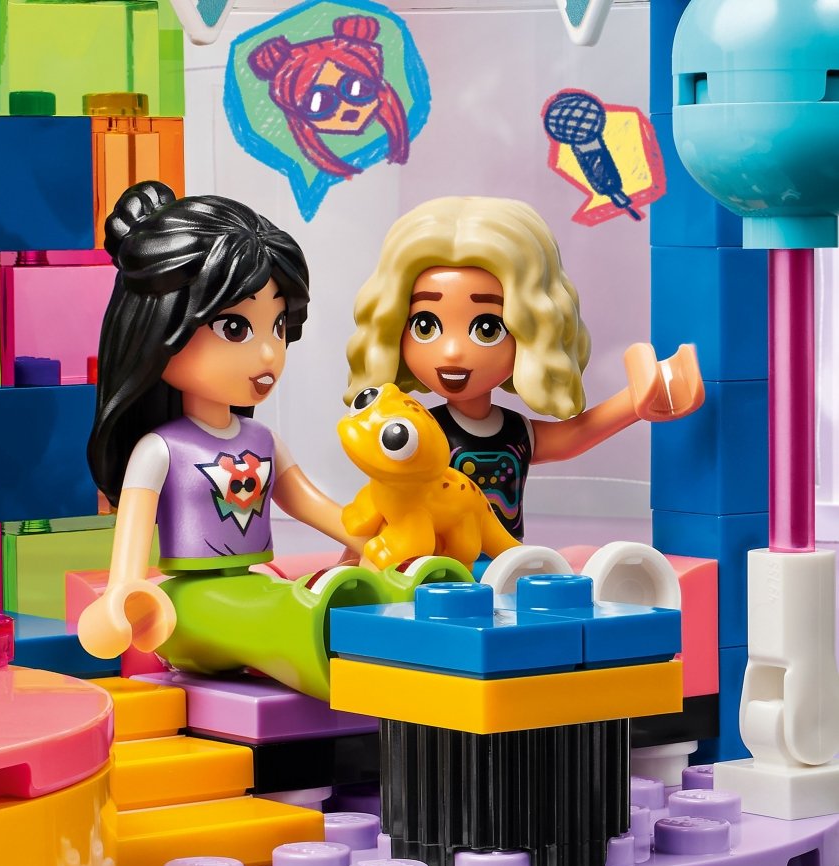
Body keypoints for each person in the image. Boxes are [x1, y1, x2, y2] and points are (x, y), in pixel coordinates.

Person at [78, 180, 384, 700]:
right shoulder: (160, 450)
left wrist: (375, 542)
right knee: (283, 612)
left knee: (295, 599)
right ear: (160, 332)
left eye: (278, 326)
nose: (268, 355)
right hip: (188, 610)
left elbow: (310, 504)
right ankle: (333, 666)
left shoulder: (263, 439)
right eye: (236, 329)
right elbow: (130, 548)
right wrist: (125, 594)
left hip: (255, 588)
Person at [345, 196, 704, 541]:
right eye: (425, 326)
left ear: (533, 331)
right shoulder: (415, 433)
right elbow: (383, 500)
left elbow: (574, 436)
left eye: (487, 328)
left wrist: (635, 402)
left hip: (510, 561)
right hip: (437, 563)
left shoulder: (515, 431)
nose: (452, 352)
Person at [248, 15, 410, 177]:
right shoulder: (302, 168)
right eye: (319, 103)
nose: (347, 110)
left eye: (358, 89)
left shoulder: (383, 143)